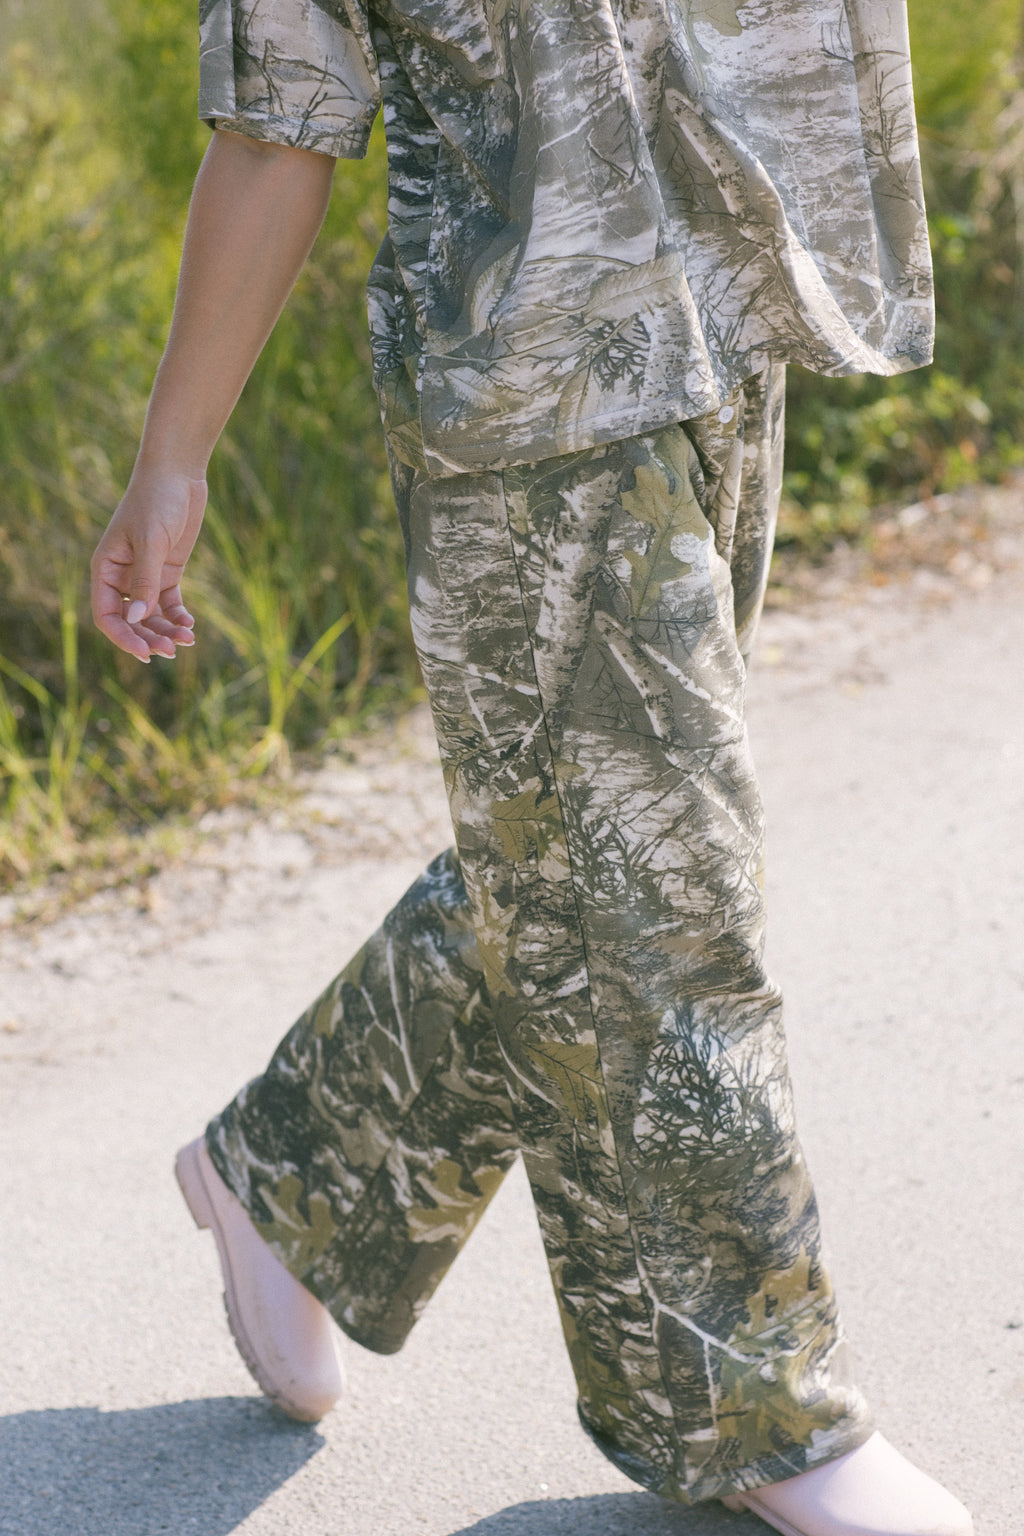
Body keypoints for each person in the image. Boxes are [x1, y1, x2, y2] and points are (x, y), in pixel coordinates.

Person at [90, 2, 973, 1532]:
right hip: (532, 385)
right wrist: (174, 458)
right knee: (659, 894)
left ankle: (297, 1177)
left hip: (725, 325)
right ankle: (759, 1416)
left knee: (572, 860)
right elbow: (279, 116)